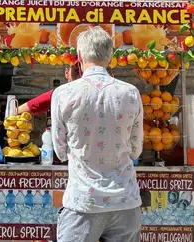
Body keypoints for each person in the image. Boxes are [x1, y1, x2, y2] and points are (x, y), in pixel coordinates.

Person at [52, 27, 143, 242]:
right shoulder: (130, 93)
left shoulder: (64, 93)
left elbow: (60, 150)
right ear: (110, 57)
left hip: (83, 201)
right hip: (125, 201)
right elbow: (136, 148)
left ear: (80, 57)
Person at [16, 64, 81, 116]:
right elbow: (31, 106)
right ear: (66, 73)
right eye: (76, 71)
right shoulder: (58, 94)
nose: (80, 74)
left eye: (83, 71)